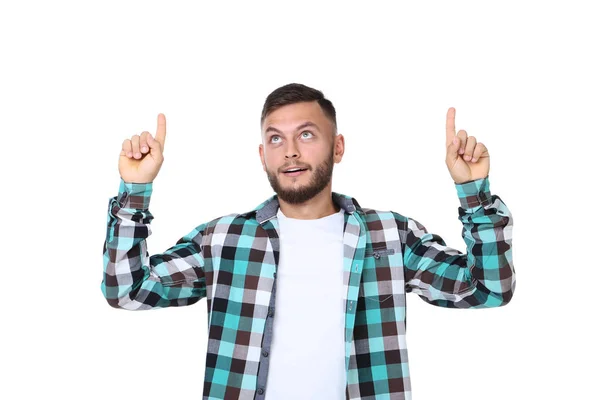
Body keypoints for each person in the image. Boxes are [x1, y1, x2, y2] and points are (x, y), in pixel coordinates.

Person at [101, 83, 516, 400]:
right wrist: (135, 191)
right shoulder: (223, 240)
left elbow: (489, 289)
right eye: (276, 139)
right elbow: (127, 290)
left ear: (337, 148)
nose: (290, 153)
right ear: (262, 154)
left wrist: (473, 192)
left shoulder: (390, 236)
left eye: (306, 135)